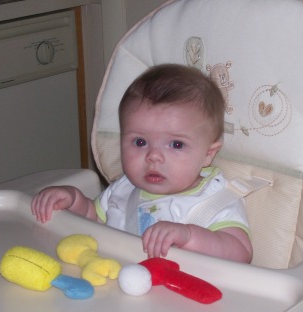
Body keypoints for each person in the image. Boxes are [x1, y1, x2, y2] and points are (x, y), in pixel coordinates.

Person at [31, 64, 252, 263]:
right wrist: (73, 200)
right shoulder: (123, 188)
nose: (153, 156)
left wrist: (189, 236)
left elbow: (240, 252)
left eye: (176, 144)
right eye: (140, 142)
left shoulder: (214, 199)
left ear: (208, 154)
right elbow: (95, 219)